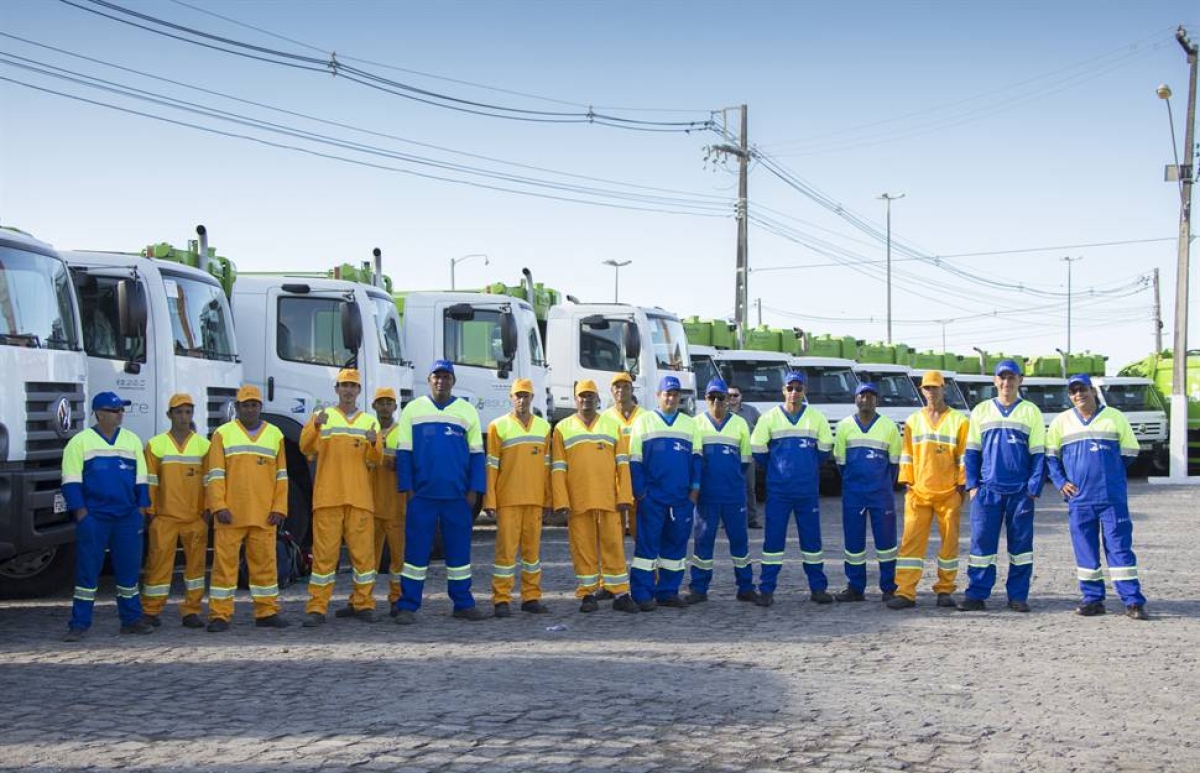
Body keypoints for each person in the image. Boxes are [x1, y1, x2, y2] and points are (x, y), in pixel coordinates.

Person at [1046, 374, 1148, 620]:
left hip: (1111, 498)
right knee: (1085, 550)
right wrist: (1061, 482)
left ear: (1093, 390)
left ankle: (1132, 601)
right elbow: (1050, 457)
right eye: (1073, 391)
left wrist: (1109, 473)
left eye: (1082, 389)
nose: (1078, 395)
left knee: (1120, 548)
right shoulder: (1061, 422)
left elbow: (1130, 452)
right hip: (1079, 499)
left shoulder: (1115, 417)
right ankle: (1093, 599)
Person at [394, 360, 489, 623]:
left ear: (453, 381)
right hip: (422, 497)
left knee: (459, 555)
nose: (441, 381)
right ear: (429, 379)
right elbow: (404, 453)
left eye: (446, 377)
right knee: (415, 554)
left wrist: (474, 491)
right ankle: (407, 605)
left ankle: (463, 603)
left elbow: (477, 456)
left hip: (457, 497)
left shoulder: (466, 411)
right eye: (436, 376)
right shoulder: (412, 410)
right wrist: (407, 489)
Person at [61, 391, 154, 641]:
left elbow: (141, 479)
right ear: (99, 413)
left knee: (129, 573)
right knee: (87, 574)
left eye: (121, 410)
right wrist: (81, 513)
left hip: (127, 518)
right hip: (95, 518)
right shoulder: (80, 442)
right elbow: (71, 481)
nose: (120, 414)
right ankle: (79, 623)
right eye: (115, 410)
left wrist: (140, 510)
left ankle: (131, 619)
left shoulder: (132, 440)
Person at [960, 359, 1045, 613]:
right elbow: (972, 452)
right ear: (995, 381)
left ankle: (1017, 596)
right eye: (1002, 378)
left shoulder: (1031, 412)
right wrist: (973, 486)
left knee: (1021, 549)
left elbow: (1039, 454)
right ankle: (976, 594)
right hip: (987, 492)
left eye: (1012, 378)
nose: (1007, 383)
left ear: (1020, 380)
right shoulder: (981, 411)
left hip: (1020, 493)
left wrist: (1032, 489)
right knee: (981, 547)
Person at [205, 384, 290, 631]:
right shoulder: (222, 434)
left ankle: (267, 612)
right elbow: (215, 475)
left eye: (254, 404)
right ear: (238, 407)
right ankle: (220, 615)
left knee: (265, 565)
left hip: (264, 513)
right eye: (245, 405)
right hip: (230, 513)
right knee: (224, 567)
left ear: (260, 407)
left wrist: (280, 507)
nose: (250, 409)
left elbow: (282, 475)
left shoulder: (275, 434)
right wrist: (218, 505)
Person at [301, 368, 382, 627]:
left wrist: (373, 443)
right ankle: (317, 607)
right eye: (344, 386)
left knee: (364, 558)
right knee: (324, 557)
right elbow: (305, 448)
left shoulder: (369, 422)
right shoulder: (321, 417)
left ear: (359, 391)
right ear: (336, 389)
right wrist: (315, 426)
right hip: (328, 498)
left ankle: (363, 604)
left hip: (359, 498)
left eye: (353, 386)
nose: (348, 390)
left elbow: (376, 460)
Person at [552, 379, 638, 613]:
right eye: (582, 395)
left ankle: (620, 592)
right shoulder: (562, 428)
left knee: (614, 546)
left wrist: (624, 496)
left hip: (608, 499)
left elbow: (622, 465)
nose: (586, 399)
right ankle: (587, 593)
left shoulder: (611, 426)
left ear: (597, 398)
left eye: (590, 395)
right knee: (583, 547)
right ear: (575, 399)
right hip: (578, 501)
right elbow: (558, 468)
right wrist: (561, 500)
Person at [751, 371, 834, 606]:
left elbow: (825, 448)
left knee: (812, 542)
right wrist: (777, 468)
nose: (794, 393)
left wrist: (806, 467)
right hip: (779, 491)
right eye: (790, 388)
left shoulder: (816, 417)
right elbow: (758, 448)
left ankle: (818, 588)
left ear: (805, 390)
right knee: (773, 543)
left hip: (807, 491)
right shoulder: (769, 418)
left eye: (798, 388)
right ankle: (766, 589)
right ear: (783, 390)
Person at [888, 372, 969, 610]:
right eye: (927, 388)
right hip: (918, 492)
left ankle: (945, 590)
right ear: (921, 390)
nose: (932, 392)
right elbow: (907, 455)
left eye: (936, 388)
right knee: (910, 544)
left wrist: (960, 487)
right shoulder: (913, 421)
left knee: (949, 545)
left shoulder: (959, 421)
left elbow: (965, 457)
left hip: (948, 493)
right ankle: (905, 592)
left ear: (944, 389)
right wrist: (908, 482)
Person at [629, 375, 700, 611]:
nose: (671, 398)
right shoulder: (644, 422)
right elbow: (635, 461)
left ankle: (668, 591)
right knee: (646, 550)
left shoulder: (690, 424)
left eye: (675, 394)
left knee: (676, 549)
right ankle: (642, 593)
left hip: (681, 500)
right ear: (658, 396)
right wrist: (641, 493)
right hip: (653, 499)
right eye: (667, 393)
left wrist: (693, 494)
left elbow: (697, 461)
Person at [485, 379, 553, 617]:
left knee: (532, 553)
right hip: (508, 499)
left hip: (534, 499)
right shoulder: (498, 426)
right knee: (505, 553)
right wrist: (490, 499)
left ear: (532, 398)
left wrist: (547, 499)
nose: (522, 400)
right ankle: (501, 599)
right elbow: (492, 465)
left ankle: (531, 597)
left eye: (526, 396)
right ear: (511, 398)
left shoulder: (544, 428)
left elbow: (546, 467)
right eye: (518, 396)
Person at [141, 393, 210, 628]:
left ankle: (191, 610)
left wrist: (208, 510)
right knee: (158, 565)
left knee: (196, 568)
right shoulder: (156, 445)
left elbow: (211, 481)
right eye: (179, 412)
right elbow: (150, 481)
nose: (183, 417)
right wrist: (149, 510)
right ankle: (151, 610)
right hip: (164, 517)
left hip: (194, 517)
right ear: (169, 415)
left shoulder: (204, 446)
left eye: (188, 412)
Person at [687, 378, 758, 604]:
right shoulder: (696, 424)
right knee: (703, 541)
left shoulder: (740, 424)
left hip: (733, 494)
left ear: (729, 400)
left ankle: (745, 586)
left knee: (739, 541)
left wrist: (730, 478)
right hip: (707, 495)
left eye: (721, 397)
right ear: (706, 399)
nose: (717, 402)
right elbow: (694, 460)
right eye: (712, 397)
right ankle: (699, 588)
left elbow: (745, 461)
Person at [833, 383, 902, 603]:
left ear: (877, 400)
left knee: (887, 544)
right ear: (855, 399)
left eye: (871, 396)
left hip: (881, 494)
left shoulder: (889, 426)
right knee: (854, 544)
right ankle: (855, 587)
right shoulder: (844, 426)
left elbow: (894, 465)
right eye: (862, 395)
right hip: (853, 493)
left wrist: (881, 485)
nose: (866, 400)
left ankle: (889, 587)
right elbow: (840, 463)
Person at [373, 387, 406, 615]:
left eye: (389, 403)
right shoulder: (367, 429)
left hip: (396, 506)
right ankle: (361, 600)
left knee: (398, 559)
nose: (385, 407)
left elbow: (412, 464)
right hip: (371, 505)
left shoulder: (403, 433)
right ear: (374, 405)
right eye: (380, 402)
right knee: (366, 560)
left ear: (395, 406)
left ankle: (397, 599)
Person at [605, 371, 644, 549]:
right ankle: (616, 574)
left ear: (632, 389)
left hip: (639, 479)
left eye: (625, 386)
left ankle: (648, 575)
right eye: (617, 387)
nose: (621, 390)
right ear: (611, 391)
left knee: (642, 532)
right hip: (614, 481)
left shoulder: (645, 417)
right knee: (613, 533)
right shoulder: (605, 418)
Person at [728, 385, 762, 528]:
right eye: (729, 396)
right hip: (728, 456)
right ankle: (727, 519)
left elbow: (762, 430)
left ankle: (752, 519)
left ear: (741, 396)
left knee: (749, 487)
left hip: (747, 455)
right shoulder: (721, 410)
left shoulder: (751, 411)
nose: (732, 398)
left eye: (735, 395)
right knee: (728, 487)